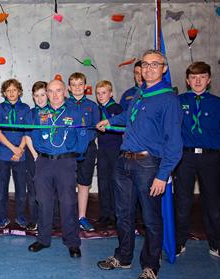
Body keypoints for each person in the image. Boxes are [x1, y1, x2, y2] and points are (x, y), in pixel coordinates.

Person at [96, 50, 183, 279]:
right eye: (145, 64)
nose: (149, 68)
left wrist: (163, 175)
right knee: (123, 214)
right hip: (124, 161)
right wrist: (111, 120)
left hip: (148, 165)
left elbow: (174, 143)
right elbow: (129, 116)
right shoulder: (139, 94)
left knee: (151, 218)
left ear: (164, 68)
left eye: (155, 64)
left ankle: (150, 266)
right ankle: (124, 257)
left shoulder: (169, 99)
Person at [27, 79, 91, 258]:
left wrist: (71, 154)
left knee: (68, 202)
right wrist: (43, 152)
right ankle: (43, 239)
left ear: (65, 92)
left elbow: (83, 138)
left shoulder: (75, 113)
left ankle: (72, 242)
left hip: (65, 162)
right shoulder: (40, 115)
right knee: (44, 201)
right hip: (44, 162)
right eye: (50, 91)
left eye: (58, 91)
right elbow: (35, 136)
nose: (54, 95)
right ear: (46, 93)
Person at [174, 61, 220, 258]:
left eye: (202, 77)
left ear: (209, 80)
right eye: (193, 77)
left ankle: (215, 243)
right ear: (187, 80)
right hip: (185, 157)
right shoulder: (178, 101)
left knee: (213, 203)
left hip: (211, 158)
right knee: (182, 202)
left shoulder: (217, 103)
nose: (198, 81)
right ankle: (179, 242)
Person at [0, 79, 30, 229]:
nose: (11, 93)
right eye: (8, 90)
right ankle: (2, 217)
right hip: (3, 155)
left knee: (21, 188)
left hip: (21, 155)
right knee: (2, 189)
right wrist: (12, 148)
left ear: (19, 91)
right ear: (4, 93)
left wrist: (20, 149)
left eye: (14, 90)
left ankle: (20, 216)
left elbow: (27, 131)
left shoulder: (26, 108)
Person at [66, 72, 99, 232]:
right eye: (74, 85)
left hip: (88, 148)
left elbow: (95, 128)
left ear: (86, 87)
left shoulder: (92, 106)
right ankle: (69, 216)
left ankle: (82, 217)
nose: (77, 88)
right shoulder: (64, 105)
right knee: (67, 183)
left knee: (84, 183)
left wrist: (83, 141)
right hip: (68, 149)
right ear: (69, 88)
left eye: (80, 84)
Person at [95, 80, 123, 228]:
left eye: (104, 93)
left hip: (115, 149)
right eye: (98, 93)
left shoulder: (117, 109)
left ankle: (116, 215)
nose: (100, 96)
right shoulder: (97, 110)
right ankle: (105, 214)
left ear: (111, 93)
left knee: (115, 182)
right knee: (103, 182)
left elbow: (123, 126)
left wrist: (110, 126)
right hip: (102, 150)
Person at [25, 81, 47, 231]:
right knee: (33, 190)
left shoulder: (55, 112)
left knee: (49, 191)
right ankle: (34, 220)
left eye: (43, 95)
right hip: (33, 156)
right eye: (37, 96)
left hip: (50, 157)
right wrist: (35, 156)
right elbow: (27, 136)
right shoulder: (30, 113)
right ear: (33, 97)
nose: (40, 99)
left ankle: (48, 220)